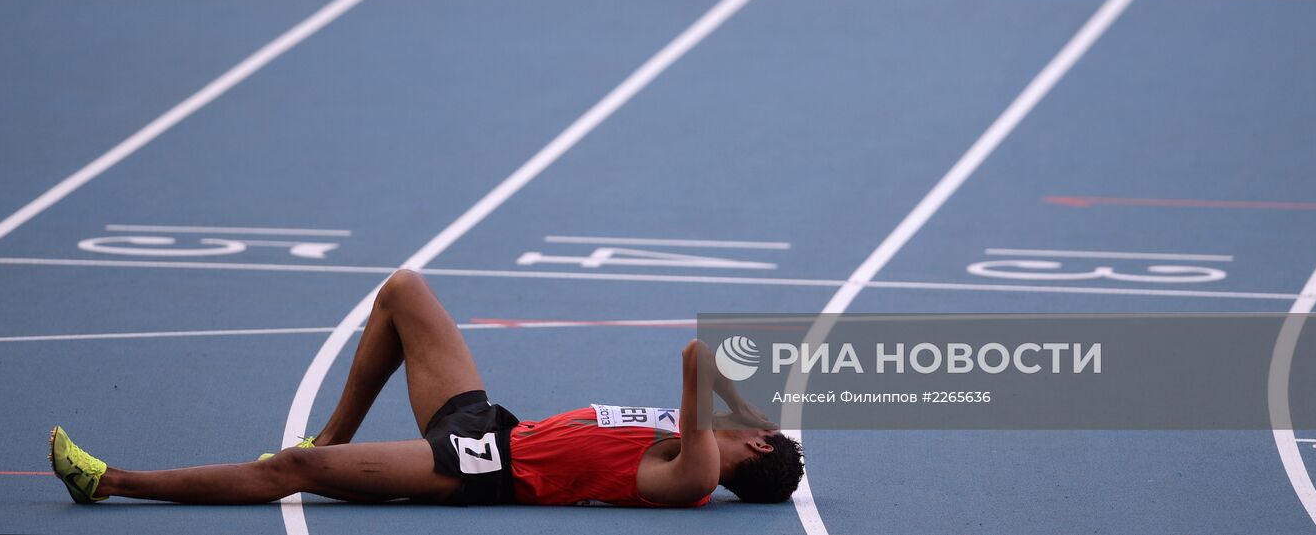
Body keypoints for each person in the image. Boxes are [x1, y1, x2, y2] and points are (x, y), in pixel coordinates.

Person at [50, 268, 804, 507]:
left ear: (759, 441)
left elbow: (697, 354)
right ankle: (336, 430)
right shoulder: (695, 444)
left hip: (482, 469)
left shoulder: (702, 470)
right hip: (494, 425)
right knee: (405, 291)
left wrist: (741, 407)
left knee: (293, 471)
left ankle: (111, 480)